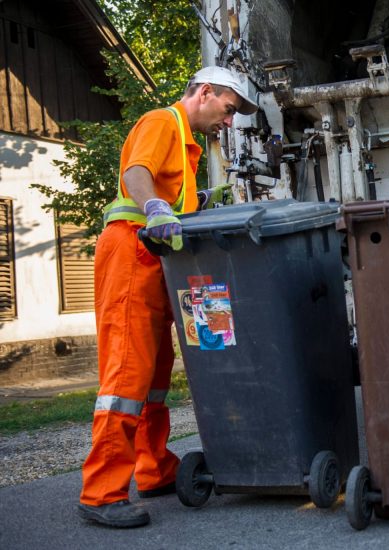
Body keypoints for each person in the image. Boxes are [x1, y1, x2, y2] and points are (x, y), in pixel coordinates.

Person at [78, 66, 257, 528]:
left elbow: (168, 193)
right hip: (130, 252)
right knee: (126, 375)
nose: (229, 122)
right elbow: (138, 173)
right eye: (228, 109)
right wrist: (155, 206)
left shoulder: (188, 145)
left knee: (156, 375)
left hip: (156, 260)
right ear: (204, 92)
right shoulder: (163, 121)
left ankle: (152, 467)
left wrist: (195, 200)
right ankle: (101, 491)